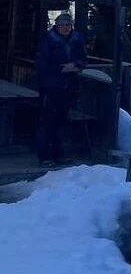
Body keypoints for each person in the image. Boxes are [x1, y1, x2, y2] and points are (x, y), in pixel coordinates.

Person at [34, 12, 87, 166]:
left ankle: (59, 154)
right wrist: (60, 69)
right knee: (47, 121)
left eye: (68, 25)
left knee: (62, 121)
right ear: (56, 26)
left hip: (69, 86)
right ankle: (44, 156)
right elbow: (41, 65)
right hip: (51, 86)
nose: (65, 28)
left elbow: (84, 59)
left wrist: (76, 66)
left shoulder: (77, 39)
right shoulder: (48, 40)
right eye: (62, 25)